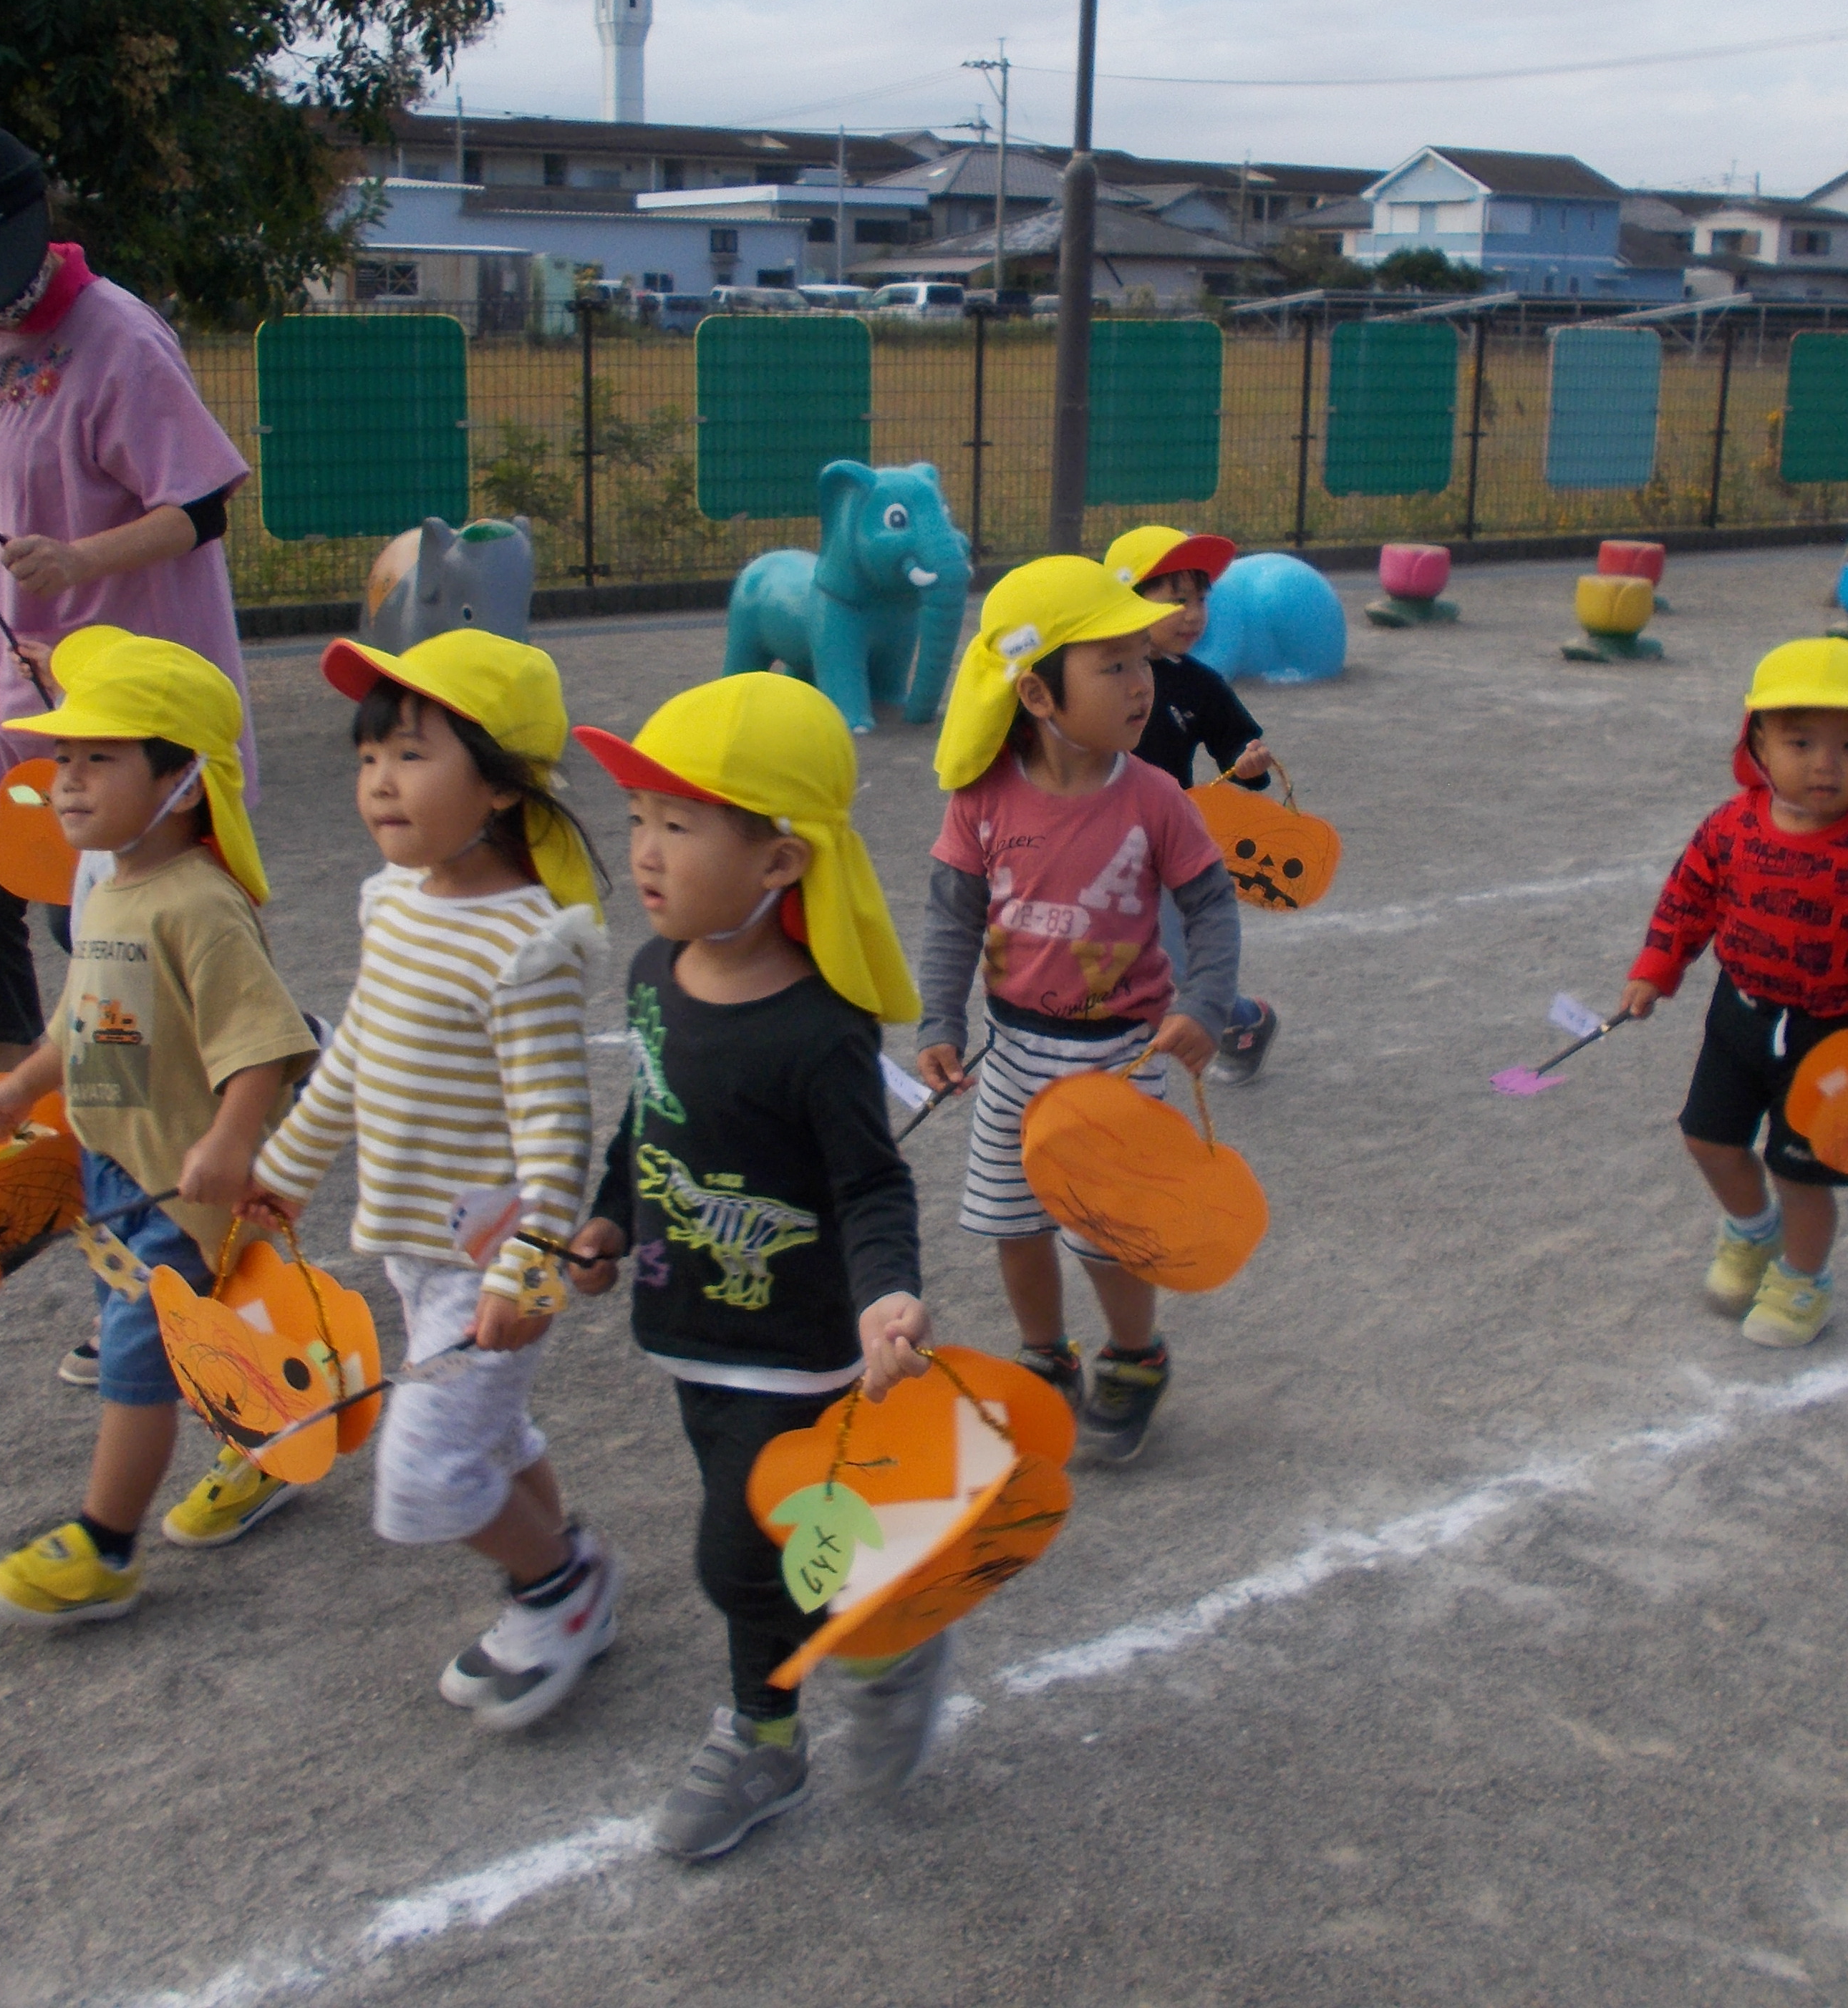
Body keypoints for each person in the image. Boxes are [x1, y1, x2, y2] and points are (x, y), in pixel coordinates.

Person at [0, 118, 258, 1387]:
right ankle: (45, 1154)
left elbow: (202, 503)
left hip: (107, 710)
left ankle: (164, 1257)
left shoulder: (116, 339)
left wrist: (82, 559)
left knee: (128, 982)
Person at [559, 674, 940, 1861]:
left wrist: (886, 1293)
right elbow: (649, 1118)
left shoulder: (819, 1031)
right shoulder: (652, 976)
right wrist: (608, 1220)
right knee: (784, 1544)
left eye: (679, 824)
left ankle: (820, 1683)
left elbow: (870, 1184)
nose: (645, 850)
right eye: (638, 819)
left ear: (780, 862)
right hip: (691, 1329)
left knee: (739, 1556)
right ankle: (810, 1695)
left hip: (798, 1353)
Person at [251, 630, 619, 1730]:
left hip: (493, 1266)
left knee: (423, 1473)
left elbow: (558, 1131)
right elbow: (354, 1055)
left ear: (502, 787)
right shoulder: (398, 901)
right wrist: (283, 1169)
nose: (379, 781)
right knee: (489, 1440)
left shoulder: (525, 945)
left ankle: (556, 1590)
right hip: (416, 1253)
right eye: (370, 756)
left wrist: (528, 1269)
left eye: (412, 756)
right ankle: (570, 1571)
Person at [0, 629, 319, 1628]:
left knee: (136, 1357)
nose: (66, 780)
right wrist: (21, 1087)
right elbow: (80, 1023)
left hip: (182, 1186)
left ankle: (104, 1547)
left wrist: (230, 1142)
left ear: (184, 782)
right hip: (120, 1171)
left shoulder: (199, 906)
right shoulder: (112, 890)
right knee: (206, 1336)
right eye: (63, 757)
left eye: (99, 758)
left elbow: (265, 1042)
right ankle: (274, 1443)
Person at [911, 555, 1242, 1465]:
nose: (1141, 684)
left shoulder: (1155, 798)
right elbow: (952, 917)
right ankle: (1044, 1356)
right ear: (1038, 694)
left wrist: (1206, 1004)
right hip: (1014, 1052)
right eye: (1114, 665)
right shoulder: (981, 798)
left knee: (1106, 1234)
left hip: (1118, 1059)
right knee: (1013, 1226)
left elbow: (1212, 908)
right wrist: (939, 1023)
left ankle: (1135, 1354)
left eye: (1142, 661)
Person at [1616, 639, 1848, 1350]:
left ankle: (1803, 1279)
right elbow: (1687, 900)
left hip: (1832, 1037)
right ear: (1757, 743)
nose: (1826, 763)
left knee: (1801, 1172)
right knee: (1708, 1138)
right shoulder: (1729, 827)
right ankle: (1751, 1231)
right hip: (1740, 1015)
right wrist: (1655, 968)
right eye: (1801, 742)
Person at [1106, 524, 1280, 1085]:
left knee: (1174, 963)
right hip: (1095, 838)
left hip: (1165, 846)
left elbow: (1238, 743)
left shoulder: (1198, 685)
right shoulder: (1091, 674)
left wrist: (1249, 761)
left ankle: (1245, 1019)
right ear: (1127, 599)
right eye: (1176, 598)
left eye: (1201, 599)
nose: (1193, 614)